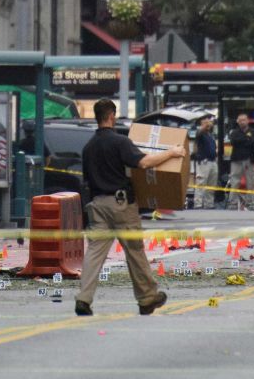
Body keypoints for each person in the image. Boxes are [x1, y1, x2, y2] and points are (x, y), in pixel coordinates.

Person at [75, 98, 186, 316]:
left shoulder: (88, 147)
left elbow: (86, 181)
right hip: (121, 204)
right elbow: (143, 162)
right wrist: (172, 153)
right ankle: (147, 298)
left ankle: (83, 299)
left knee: (95, 253)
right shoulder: (119, 142)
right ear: (111, 116)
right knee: (134, 251)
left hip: (97, 205)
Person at [227, 113, 254, 210]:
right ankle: (232, 203)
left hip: (250, 159)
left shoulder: (253, 131)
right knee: (234, 181)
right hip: (237, 160)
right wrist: (246, 139)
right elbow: (233, 142)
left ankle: (251, 203)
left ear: (247, 121)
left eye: (244, 120)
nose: (242, 122)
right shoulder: (234, 132)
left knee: (251, 182)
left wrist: (243, 140)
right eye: (240, 120)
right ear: (237, 121)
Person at [193, 117, 217, 209]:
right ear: (201, 124)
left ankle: (209, 203)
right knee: (201, 182)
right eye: (205, 123)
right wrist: (204, 126)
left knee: (212, 183)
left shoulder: (210, 135)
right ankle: (198, 203)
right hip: (204, 161)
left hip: (212, 161)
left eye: (208, 122)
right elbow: (198, 134)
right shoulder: (200, 133)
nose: (208, 124)